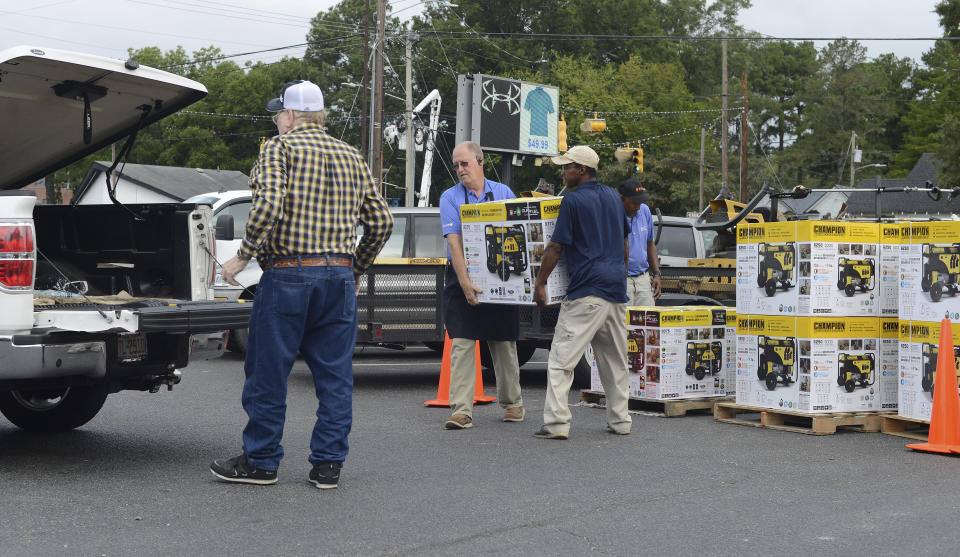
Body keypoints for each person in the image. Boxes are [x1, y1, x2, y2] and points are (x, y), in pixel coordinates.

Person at [210, 80, 393, 488]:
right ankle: (328, 465)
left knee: (268, 372)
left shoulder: (279, 148)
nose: (278, 119)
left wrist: (242, 255)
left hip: (288, 274)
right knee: (335, 376)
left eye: (279, 113)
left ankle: (261, 461)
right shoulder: (352, 155)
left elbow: (270, 203)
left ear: (290, 116)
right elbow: (382, 221)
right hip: (339, 278)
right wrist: (356, 268)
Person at [532, 145, 631, 440]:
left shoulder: (572, 201)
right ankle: (620, 420)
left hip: (586, 290)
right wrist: (618, 272)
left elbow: (556, 247)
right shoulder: (614, 197)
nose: (563, 173)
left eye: (567, 167)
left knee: (562, 359)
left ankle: (556, 423)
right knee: (614, 362)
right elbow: (625, 244)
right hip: (615, 289)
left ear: (582, 170)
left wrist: (539, 283)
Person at [438, 141, 524, 430]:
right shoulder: (449, 197)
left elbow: (516, 237)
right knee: (462, 343)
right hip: (462, 276)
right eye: (457, 165)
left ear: (480, 161)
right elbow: (454, 242)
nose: (460, 170)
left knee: (503, 342)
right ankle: (461, 411)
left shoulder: (504, 194)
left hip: (500, 277)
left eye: (464, 164)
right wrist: (465, 283)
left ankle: (513, 403)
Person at [618, 178, 661, 306]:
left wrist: (657, 274)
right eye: (634, 202)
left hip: (643, 279)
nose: (638, 207)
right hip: (623, 280)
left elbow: (650, 244)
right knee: (623, 324)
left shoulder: (644, 210)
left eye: (640, 202)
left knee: (647, 323)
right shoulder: (614, 214)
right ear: (622, 198)